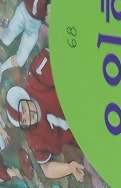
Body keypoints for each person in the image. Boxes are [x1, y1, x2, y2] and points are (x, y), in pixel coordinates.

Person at [5, 48, 86, 181]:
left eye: (24, 110)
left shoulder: (36, 80)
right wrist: (69, 168)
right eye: (24, 120)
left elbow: (56, 54)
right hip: (86, 136)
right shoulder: (34, 138)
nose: (27, 116)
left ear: (24, 98)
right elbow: (47, 169)